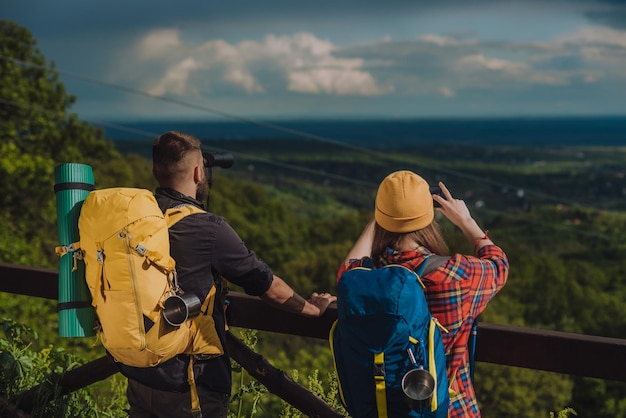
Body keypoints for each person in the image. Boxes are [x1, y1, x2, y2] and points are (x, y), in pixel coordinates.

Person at [122, 131, 336, 418]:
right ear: (199, 172)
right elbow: (266, 284)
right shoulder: (208, 228)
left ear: (155, 171)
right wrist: (310, 309)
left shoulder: (134, 221)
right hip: (190, 382)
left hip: (140, 374)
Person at [338, 170, 509, 417]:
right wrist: (465, 220)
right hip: (449, 409)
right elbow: (498, 263)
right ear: (429, 218)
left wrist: (383, 217)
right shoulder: (455, 275)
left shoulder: (365, 279)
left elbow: (347, 270)